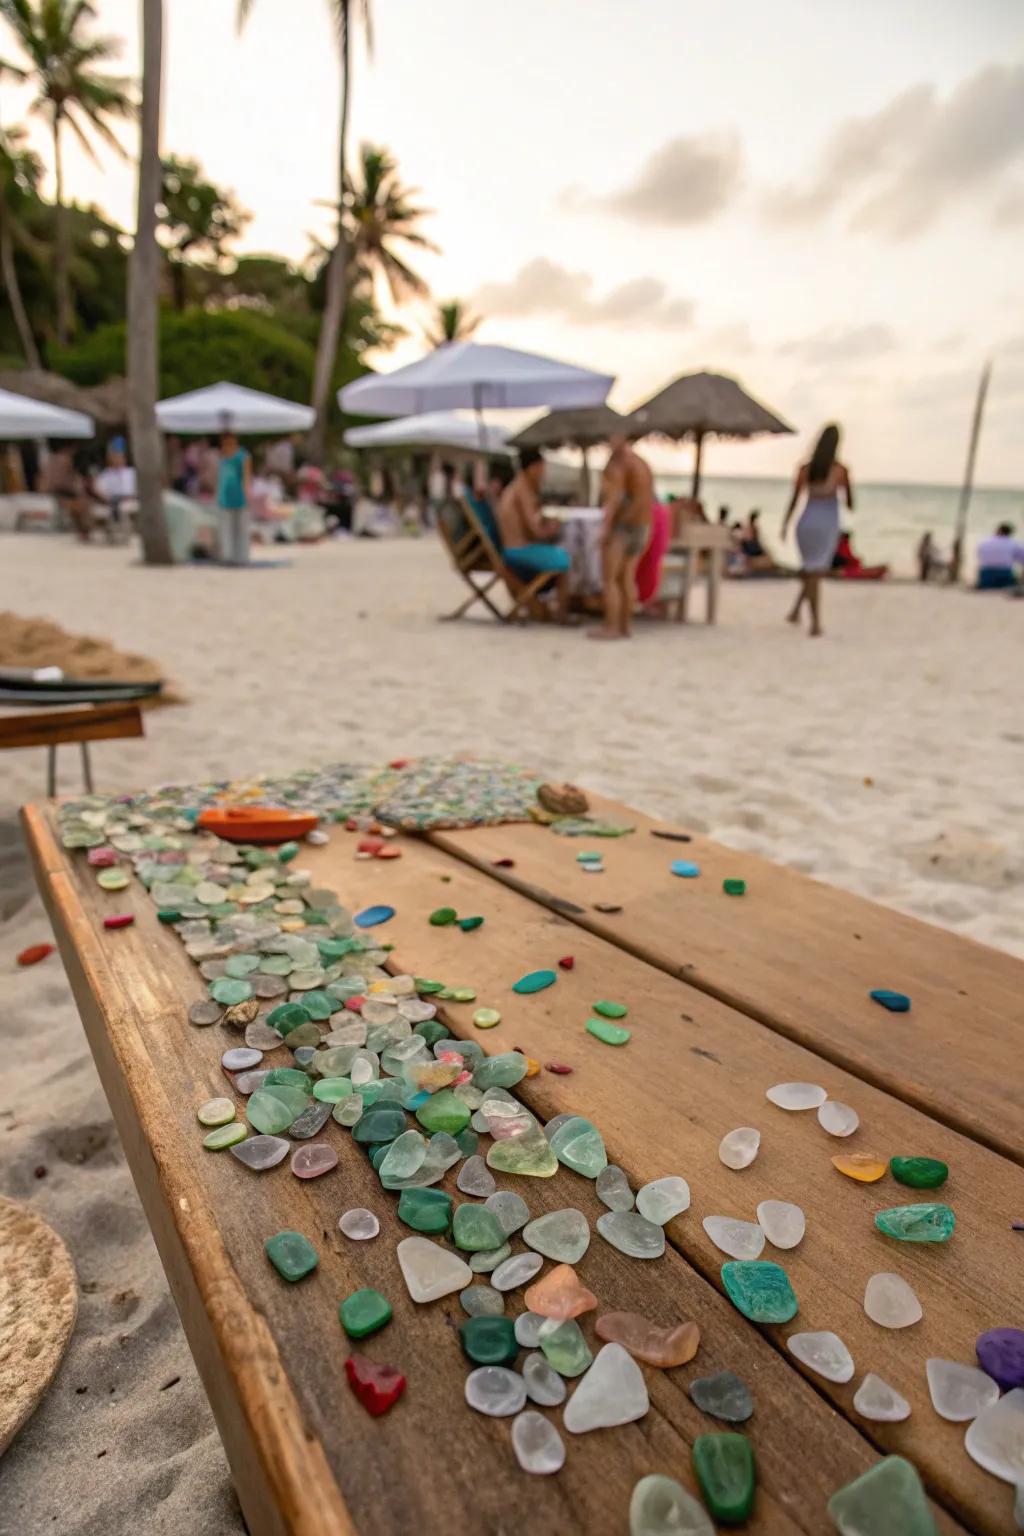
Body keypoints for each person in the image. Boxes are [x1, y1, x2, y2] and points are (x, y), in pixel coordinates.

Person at [782, 423, 853, 636]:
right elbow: (850, 503)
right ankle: (815, 623)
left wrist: (785, 524)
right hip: (827, 521)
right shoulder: (840, 470)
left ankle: (795, 611)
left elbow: (794, 500)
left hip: (806, 520)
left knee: (811, 570)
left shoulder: (805, 469)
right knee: (815, 573)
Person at [590, 433, 653, 639]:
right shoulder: (641, 463)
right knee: (626, 578)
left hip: (623, 527)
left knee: (610, 579)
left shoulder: (618, 464)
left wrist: (605, 529)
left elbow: (614, 498)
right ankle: (625, 626)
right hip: (642, 525)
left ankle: (611, 627)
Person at [496, 448, 571, 621]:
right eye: (541, 468)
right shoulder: (523, 490)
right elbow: (535, 530)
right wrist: (553, 528)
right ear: (533, 467)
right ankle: (562, 613)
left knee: (559, 553)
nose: (543, 473)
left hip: (514, 548)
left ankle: (545, 606)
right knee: (565, 559)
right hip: (518, 551)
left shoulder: (517, 486)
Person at [216, 431, 252, 564]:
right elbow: (220, 478)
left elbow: (246, 477)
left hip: (240, 495)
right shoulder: (222, 456)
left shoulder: (243, 456)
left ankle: (241, 557)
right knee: (226, 528)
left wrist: (247, 494)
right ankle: (227, 556)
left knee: (241, 529)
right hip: (225, 496)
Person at [975, 522, 1024, 589]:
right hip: (1005, 575)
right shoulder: (1014, 543)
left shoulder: (984, 542)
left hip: (986, 576)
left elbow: (979, 556)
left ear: (997, 530)